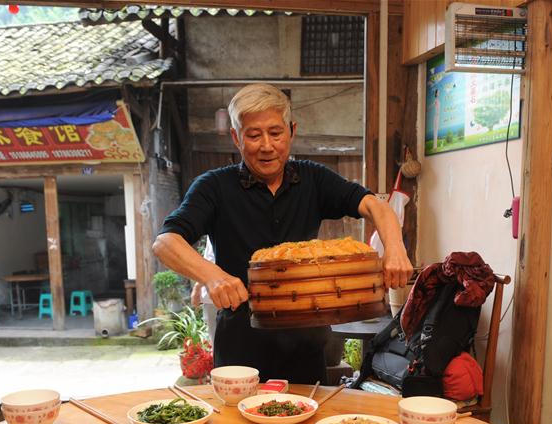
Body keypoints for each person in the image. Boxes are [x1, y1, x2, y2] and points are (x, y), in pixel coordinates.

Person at [153, 83, 413, 384]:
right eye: (253, 135)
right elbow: (165, 242)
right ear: (237, 137)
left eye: (275, 133)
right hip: (240, 345)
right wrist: (213, 276)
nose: (267, 145)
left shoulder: (313, 179)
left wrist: (395, 248)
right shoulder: (213, 187)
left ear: (291, 131)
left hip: (305, 345)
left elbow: (375, 206)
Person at [190, 237, 218, 343]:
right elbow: (210, 259)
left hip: (218, 294)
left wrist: (198, 287)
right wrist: (198, 286)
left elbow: (212, 260)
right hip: (212, 294)